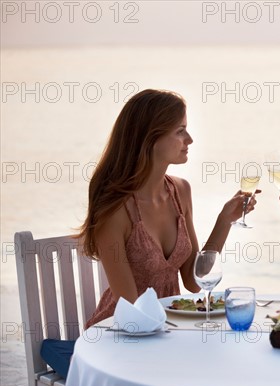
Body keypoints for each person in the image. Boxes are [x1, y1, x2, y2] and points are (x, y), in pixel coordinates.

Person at [79, 88, 258, 328]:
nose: (190, 139)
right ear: (150, 138)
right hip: (121, 331)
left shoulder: (180, 192)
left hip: (167, 326)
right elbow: (131, 309)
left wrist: (225, 220)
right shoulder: (114, 208)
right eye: (180, 131)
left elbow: (195, 281)